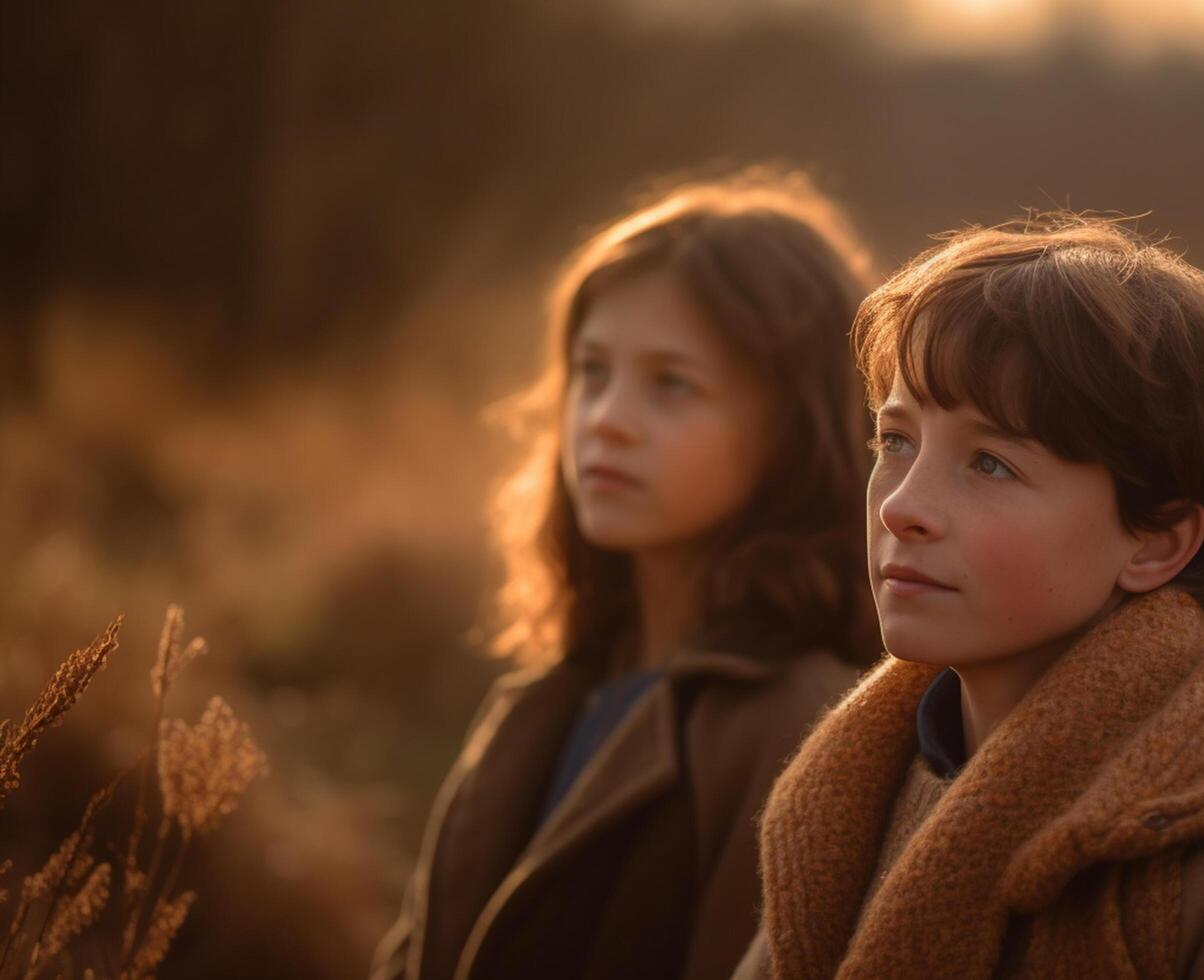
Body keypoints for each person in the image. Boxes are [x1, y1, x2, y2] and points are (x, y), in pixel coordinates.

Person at [734, 214, 1204, 979]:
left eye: (989, 464)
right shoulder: (843, 810)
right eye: (895, 441)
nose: (901, 505)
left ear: (1158, 540)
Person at [373, 169, 878, 980]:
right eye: (591, 372)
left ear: (795, 428)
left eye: (671, 385)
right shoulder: (552, 694)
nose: (605, 420)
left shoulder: (802, 730)